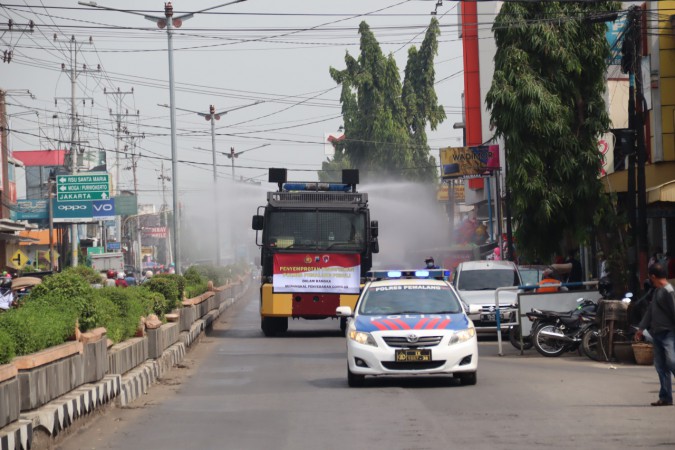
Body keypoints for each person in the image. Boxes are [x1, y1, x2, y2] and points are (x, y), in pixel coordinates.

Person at [635, 263, 675, 406]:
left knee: (671, 361)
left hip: (668, 333)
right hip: (657, 334)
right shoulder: (657, 291)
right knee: (661, 366)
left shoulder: (668, 291)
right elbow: (650, 312)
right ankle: (665, 397)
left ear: (653, 276)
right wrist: (641, 329)